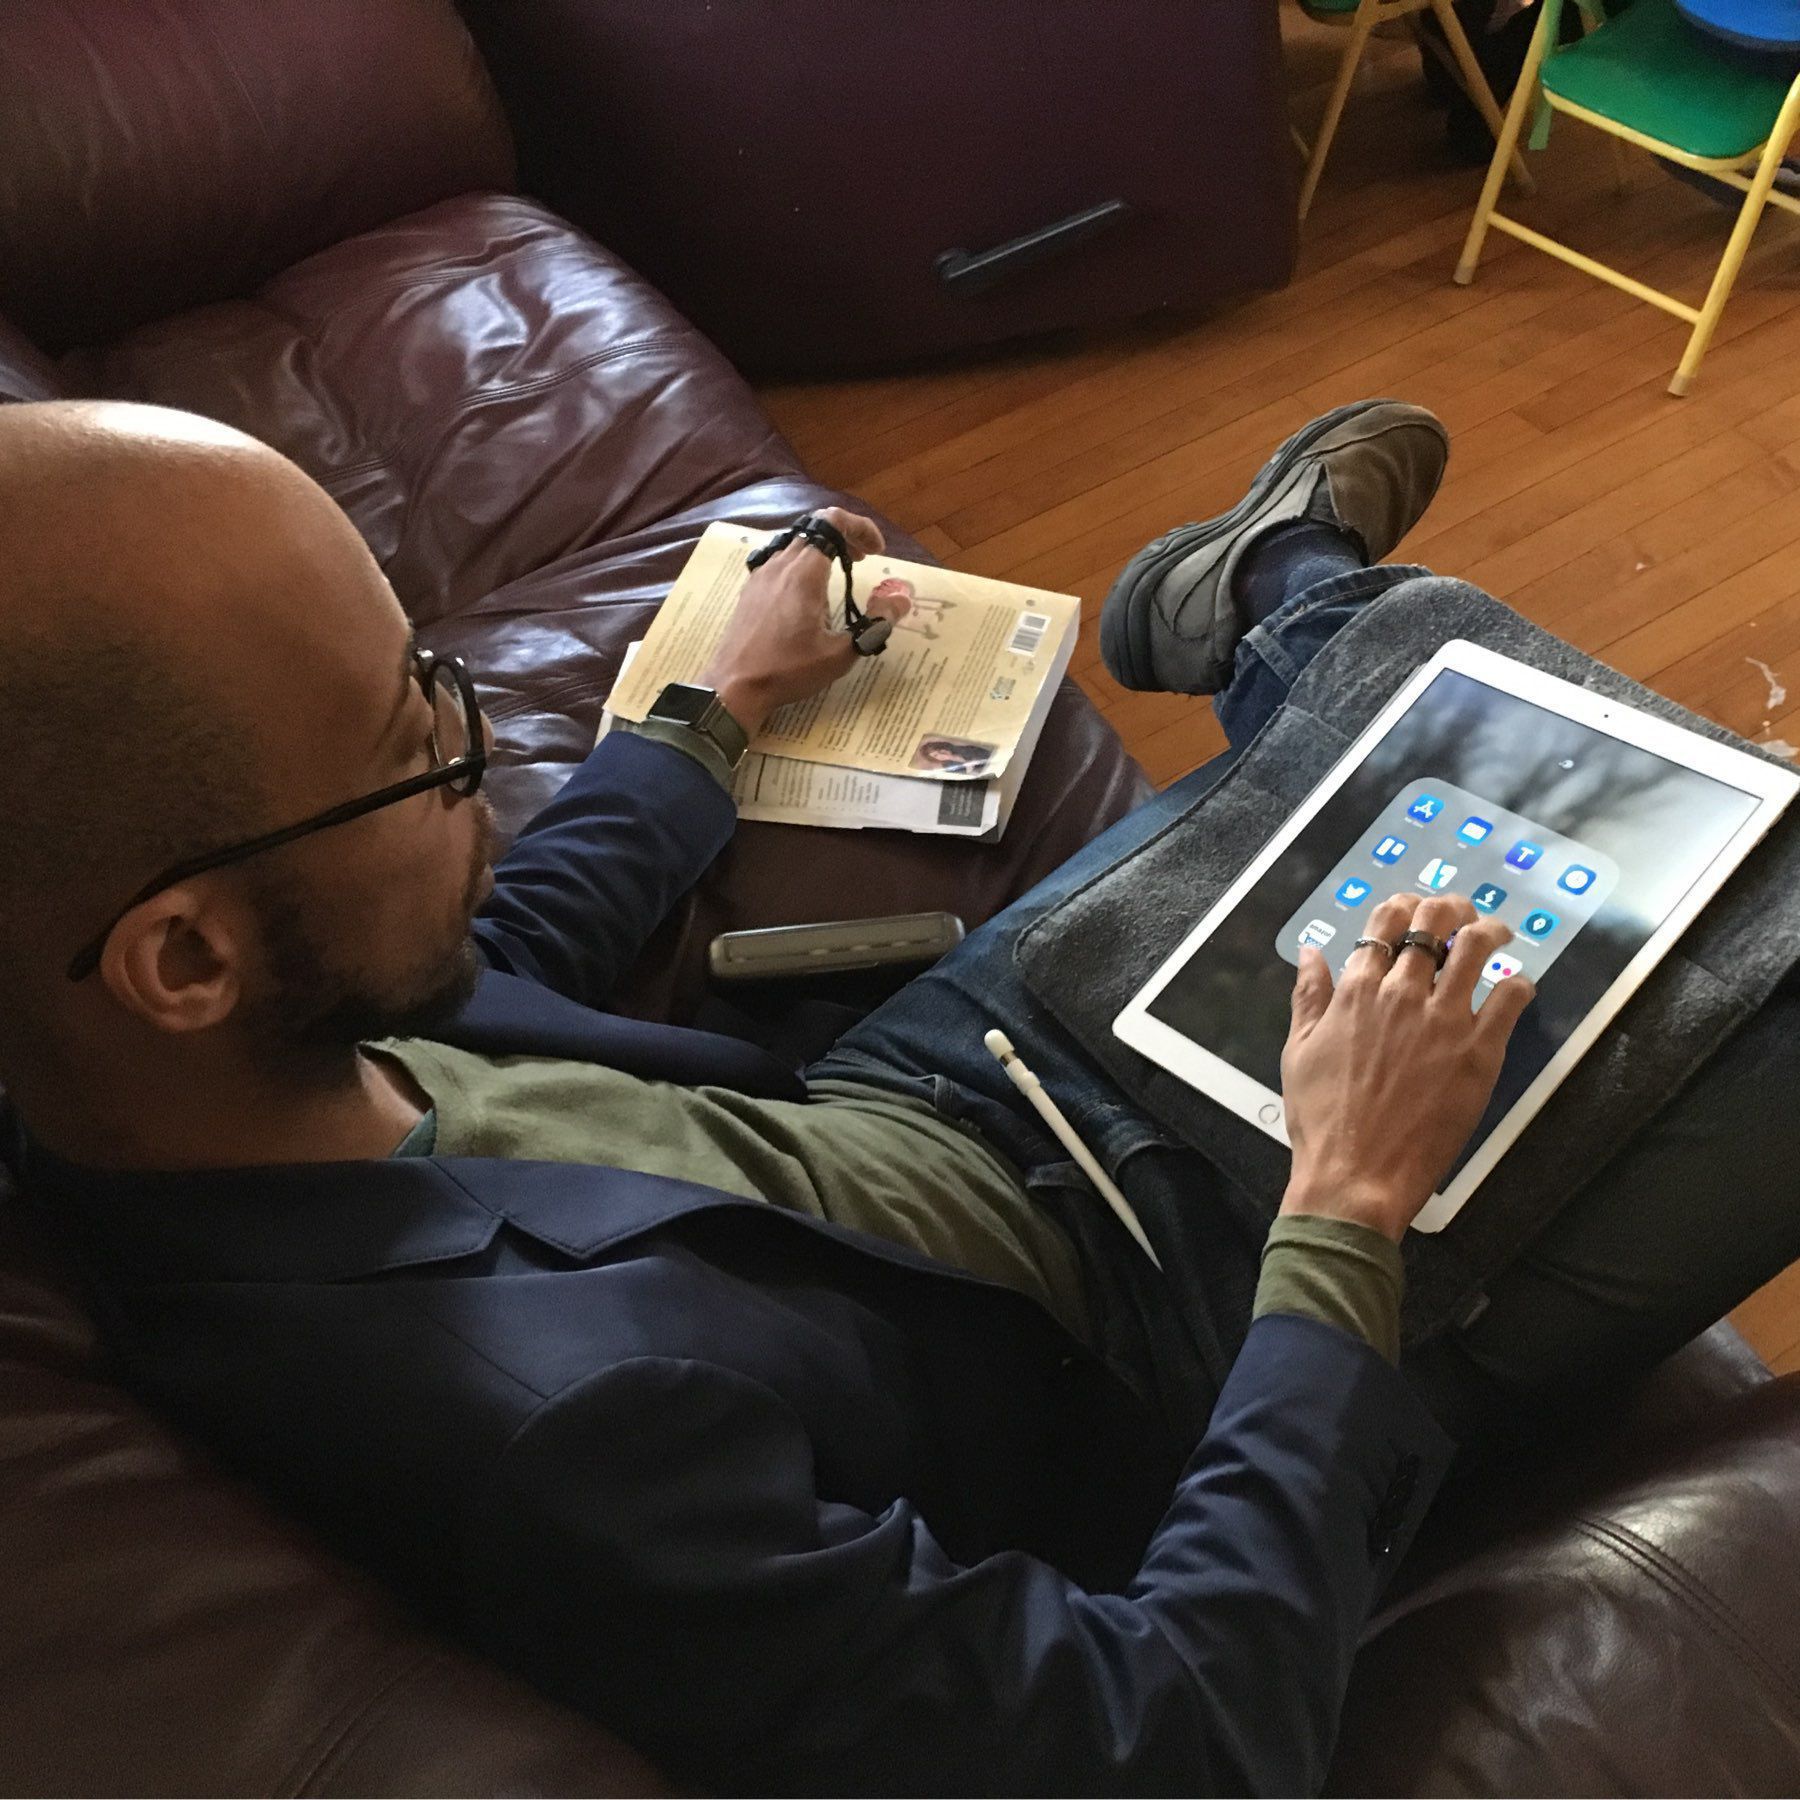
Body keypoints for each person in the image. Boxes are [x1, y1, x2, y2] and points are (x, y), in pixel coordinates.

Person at [3, 397, 1795, 1794]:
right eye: (420, 748)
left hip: (957, 1070)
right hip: (1181, 1325)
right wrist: (1346, 1203)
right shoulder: (559, 1449)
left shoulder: (197, 1057)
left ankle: (1262, 584)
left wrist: (708, 710)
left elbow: (496, 962)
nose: (474, 770)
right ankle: (1282, 598)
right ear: (183, 963)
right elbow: (1162, 1746)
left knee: (1455, 706)